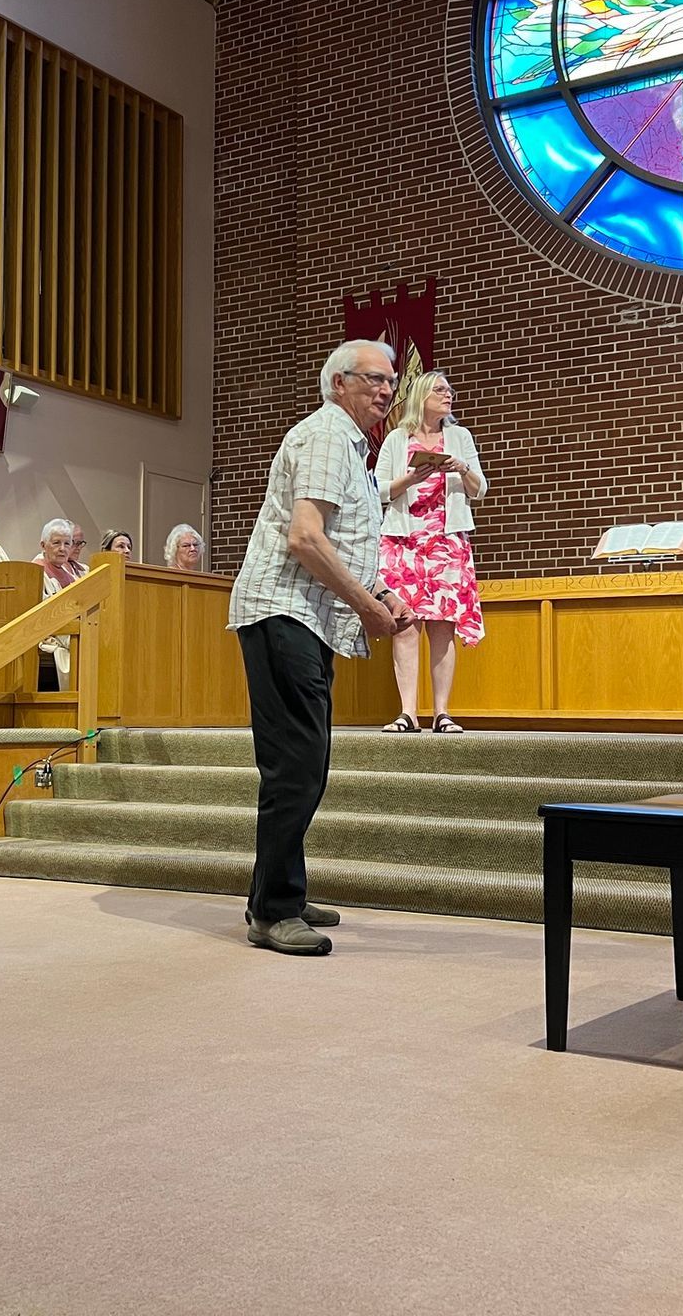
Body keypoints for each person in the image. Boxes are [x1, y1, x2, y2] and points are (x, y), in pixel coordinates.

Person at [227, 339, 411, 956]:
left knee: (304, 762)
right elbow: (305, 538)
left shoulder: (353, 447)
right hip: (283, 612)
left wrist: (383, 591)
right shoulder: (329, 435)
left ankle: (279, 892)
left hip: (304, 617)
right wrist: (367, 605)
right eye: (372, 379)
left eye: (390, 381)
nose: (385, 391)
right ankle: (273, 910)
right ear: (338, 384)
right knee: (295, 765)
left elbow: (343, 541)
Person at [375, 370, 488, 734]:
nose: (448, 395)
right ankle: (408, 712)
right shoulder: (396, 439)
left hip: (445, 541)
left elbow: (479, 489)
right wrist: (411, 479)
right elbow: (377, 490)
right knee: (405, 625)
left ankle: (442, 712)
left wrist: (462, 467)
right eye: (440, 390)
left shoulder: (459, 436)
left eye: (449, 390)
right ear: (421, 396)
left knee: (443, 628)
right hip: (403, 540)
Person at [35, 517, 78, 690]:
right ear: (43, 545)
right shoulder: (36, 572)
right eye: (56, 543)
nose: (62, 549)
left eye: (67, 544)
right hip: (51, 630)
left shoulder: (72, 576)